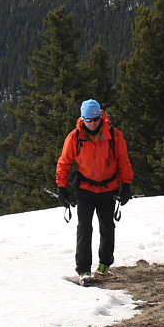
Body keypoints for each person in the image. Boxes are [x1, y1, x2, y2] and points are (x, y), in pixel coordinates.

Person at [56, 99, 133, 286]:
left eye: (95, 118)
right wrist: (61, 189)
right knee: (84, 228)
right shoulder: (74, 137)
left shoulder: (114, 135)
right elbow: (64, 163)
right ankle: (83, 269)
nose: (92, 123)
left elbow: (123, 161)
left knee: (107, 227)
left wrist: (127, 186)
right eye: (88, 120)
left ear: (101, 116)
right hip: (85, 190)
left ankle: (105, 263)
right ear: (82, 119)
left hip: (109, 189)